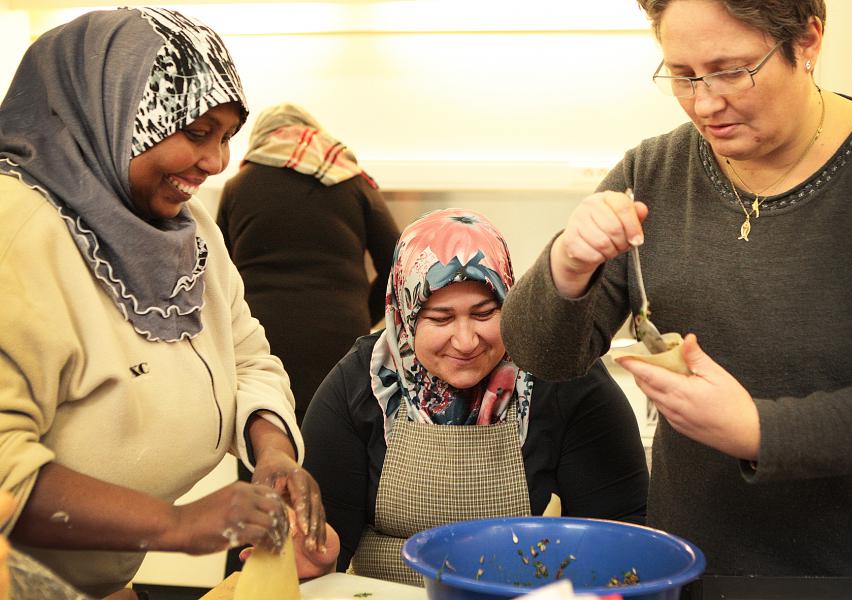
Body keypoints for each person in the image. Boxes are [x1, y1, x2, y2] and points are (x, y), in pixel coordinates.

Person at [500, 0, 852, 579]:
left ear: (808, 42)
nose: (706, 103)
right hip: (687, 569)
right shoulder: (653, 172)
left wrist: (755, 430)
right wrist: (567, 265)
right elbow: (543, 357)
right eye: (683, 75)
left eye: (732, 70)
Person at [0, 8, 337, 597]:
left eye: (228, 137)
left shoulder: (188, 229)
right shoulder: (18, 234)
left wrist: (273, 450)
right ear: (114, 114)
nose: (217, 163)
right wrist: (175, 525)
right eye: (197, 132)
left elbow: (248, 357)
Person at [301, 208, 649, 585]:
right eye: (440, 318)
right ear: (404, 316)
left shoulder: (560, 376)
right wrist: (314, 557)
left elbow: (620, 540)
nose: (466, 341)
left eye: (485, 313)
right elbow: (324, 544)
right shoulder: (362, 384)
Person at [217, 102, 400, 424]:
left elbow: (217, 273)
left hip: (263, 336)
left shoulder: (238, 185)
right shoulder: (352, 181)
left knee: (267, 430)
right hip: (341, 335)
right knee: (338, 437)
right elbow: (399, 266)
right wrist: (362, 313)